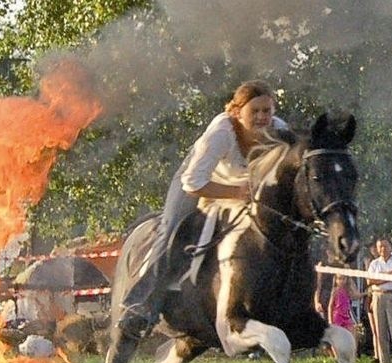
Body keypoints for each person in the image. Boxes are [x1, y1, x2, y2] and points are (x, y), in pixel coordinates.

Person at [118, 80, 288, 337]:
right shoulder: (222, 132)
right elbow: (193, 183)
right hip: (198, 183)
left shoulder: (280, 132)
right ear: (236, 111)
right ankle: (140, 306)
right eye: (255, 111)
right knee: (173, 229)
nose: (262, 117)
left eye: (267, 110)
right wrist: (236, 192)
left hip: (242, 190)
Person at [367, 238, 392, 363]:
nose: (382, 249)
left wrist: (381, 277)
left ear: (391, 247)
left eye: (385, 246)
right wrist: (389, 276)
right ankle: (384, 361)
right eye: (380, 247)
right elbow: (370, 281)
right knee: (380, 330)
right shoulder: (374, 264)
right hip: (378, 296)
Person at [328, 272, 366, 337]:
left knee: (353, 333)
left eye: (343, 279)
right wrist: (330, 320)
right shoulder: (335, 291)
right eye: (339, 279)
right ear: (336, 280)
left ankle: (352, 347)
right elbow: (330, 306)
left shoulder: (347, 290)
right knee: (337, 336)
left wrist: (366, 293)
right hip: (337, 316)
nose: (341, 281)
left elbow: (355, 296)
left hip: (346, 316)